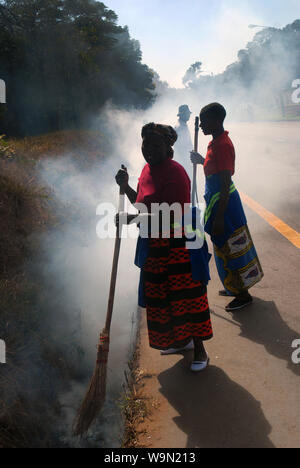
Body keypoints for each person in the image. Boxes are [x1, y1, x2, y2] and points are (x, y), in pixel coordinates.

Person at [115, 123, 213, 372]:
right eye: (146, 145)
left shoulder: (176, 173)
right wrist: (126, 187)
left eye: (156, 145)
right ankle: (181, 342)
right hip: (155, 246)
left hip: (180, 245)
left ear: (168, 147)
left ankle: (200, 350)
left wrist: (132, 219)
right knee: (164, 298)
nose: (149, 151)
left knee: (188, 297)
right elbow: (142, 203)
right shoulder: (147, 170)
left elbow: (173, 216)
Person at [191, 103, 264, 312]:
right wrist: (201, 161)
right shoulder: (215, 142)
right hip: (218, 202)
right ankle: (233, 285)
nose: (202, 125)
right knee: (223, 247)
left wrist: (220, 217)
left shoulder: (222, 144)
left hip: (226, 205)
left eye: (204, 121)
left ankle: (243, 294)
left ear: (215, 120)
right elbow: (215, 168)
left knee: (232, 246)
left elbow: (224, 183)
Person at [174, 105, 193, 174]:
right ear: (182, 114)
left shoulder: (183, 125)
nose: (189, 115)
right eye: (187, 113)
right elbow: (180, 146)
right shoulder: (180, 127)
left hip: (186, 159)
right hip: (183, 160)